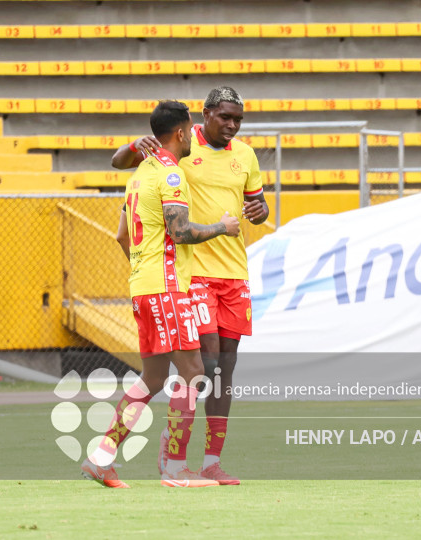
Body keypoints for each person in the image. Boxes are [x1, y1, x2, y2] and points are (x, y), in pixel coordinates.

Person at [111, 87, 269, 485]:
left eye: (238, 120)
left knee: (224, 369)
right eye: (225, 118)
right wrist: (133, 146)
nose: (232, 126)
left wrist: (259, 210)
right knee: (203, 364)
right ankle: (175, 453)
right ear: (204, 116)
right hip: (191, 273)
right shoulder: (178, 148)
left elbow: (257, 205)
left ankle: (211, 459)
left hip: (234, 273)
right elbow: (121, 164)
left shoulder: (246, 156)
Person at [81, 100, 240, 489]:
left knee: (153, 379)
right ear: (183, 132)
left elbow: (122, 235)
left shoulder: (138, 175)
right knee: (193, 372)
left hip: (143, 287)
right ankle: (174, 467)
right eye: (190, 132)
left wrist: (144, 269)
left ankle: (101, 458)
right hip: (168, 288)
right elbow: (181, 231)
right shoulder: (171, 175)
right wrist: (222, 226)